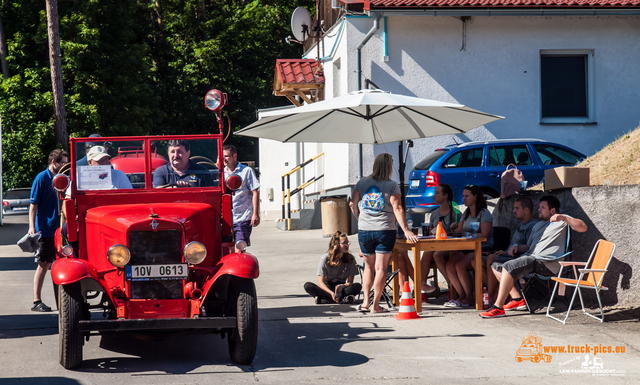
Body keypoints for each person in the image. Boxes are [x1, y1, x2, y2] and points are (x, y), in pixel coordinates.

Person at [480, 195, 587, 318]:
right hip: (531, 257)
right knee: (496, 264)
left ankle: (498, 307)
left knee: (508, 266)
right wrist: (517, 248)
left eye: (543, 207)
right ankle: (517, 299)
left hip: (546, 262)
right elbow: (529, 246)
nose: (539, 209)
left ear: (552, 210)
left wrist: (564, 217)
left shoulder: (562, 222)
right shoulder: (538, 225)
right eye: (539, 207)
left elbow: (583, 227)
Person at [350, 153, 418, 313]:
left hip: (364, 230)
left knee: (368, 267)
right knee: (380, 268)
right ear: (388, 166)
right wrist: (406, 230)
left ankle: (366, 302)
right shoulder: (392, 185)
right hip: (384, 230)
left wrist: (359, 218)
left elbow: (353, 204)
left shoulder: (362, 182)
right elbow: (398, 208)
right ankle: (375, 306)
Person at [29, 149, 69, 312]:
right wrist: (32, 227)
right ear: (54, 162)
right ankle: (36, 301)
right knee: (44, 264)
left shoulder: (65, 178)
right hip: (46, 229)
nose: (65, 166)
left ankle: (63, 302)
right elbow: (33, 205)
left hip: (62, 228)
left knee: (63, 264)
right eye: (63, 163)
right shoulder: (42, 178)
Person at [444, 184, 494, 307]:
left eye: (467, 196)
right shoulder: (466, 213)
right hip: (467, 247)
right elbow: (459, 231)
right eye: (463, 196)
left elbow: (484, 235)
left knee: (460, 264)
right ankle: (461, 296)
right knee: (450, 264)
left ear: (475, 197)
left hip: (482, 247)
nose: (464, 199)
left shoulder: (484, 213)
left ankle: (468, 297)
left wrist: (466, 233)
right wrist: (454, 228)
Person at [483, 196, 538, 304]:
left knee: (491, 259)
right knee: (482, 260)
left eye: (517, 208)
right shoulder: (522, 223)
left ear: (526, 210)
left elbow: (529, 247)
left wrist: (514, 250)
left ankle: (493, 297)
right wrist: (505, 251)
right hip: (510, 255)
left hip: (520, 259)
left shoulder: (533, 225)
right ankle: (497, 295)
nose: (513, 211)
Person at [303, 231, 362, 304]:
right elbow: (321, 282)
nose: (347, 245)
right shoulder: (325, 259)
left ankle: (325, 299)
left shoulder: (350, 259)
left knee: (357, 286)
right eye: (344, 243)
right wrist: (331, 293)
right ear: (337, 245)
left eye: (348, 243)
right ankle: (340, 299)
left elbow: (350, 282)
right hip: (327, 288)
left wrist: (342, 286)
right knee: (308, 286)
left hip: (341, 288)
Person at [223, 144, 260, 252]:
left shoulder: (246, 171)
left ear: (235, 156)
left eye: (226, 156)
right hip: (226, 219)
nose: (224, 159)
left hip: (243, 217)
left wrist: (255, 214)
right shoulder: (221, 173)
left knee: (239, 248)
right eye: (222, 156)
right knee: (228, 250)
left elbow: (255, 192)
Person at [67, 146, 132, 194]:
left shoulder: (118, 175)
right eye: (100, 160)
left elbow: (130, 196)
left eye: (106, 159)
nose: (104, 162)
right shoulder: (80, 177)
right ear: (90, 162)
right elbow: (68, 198)